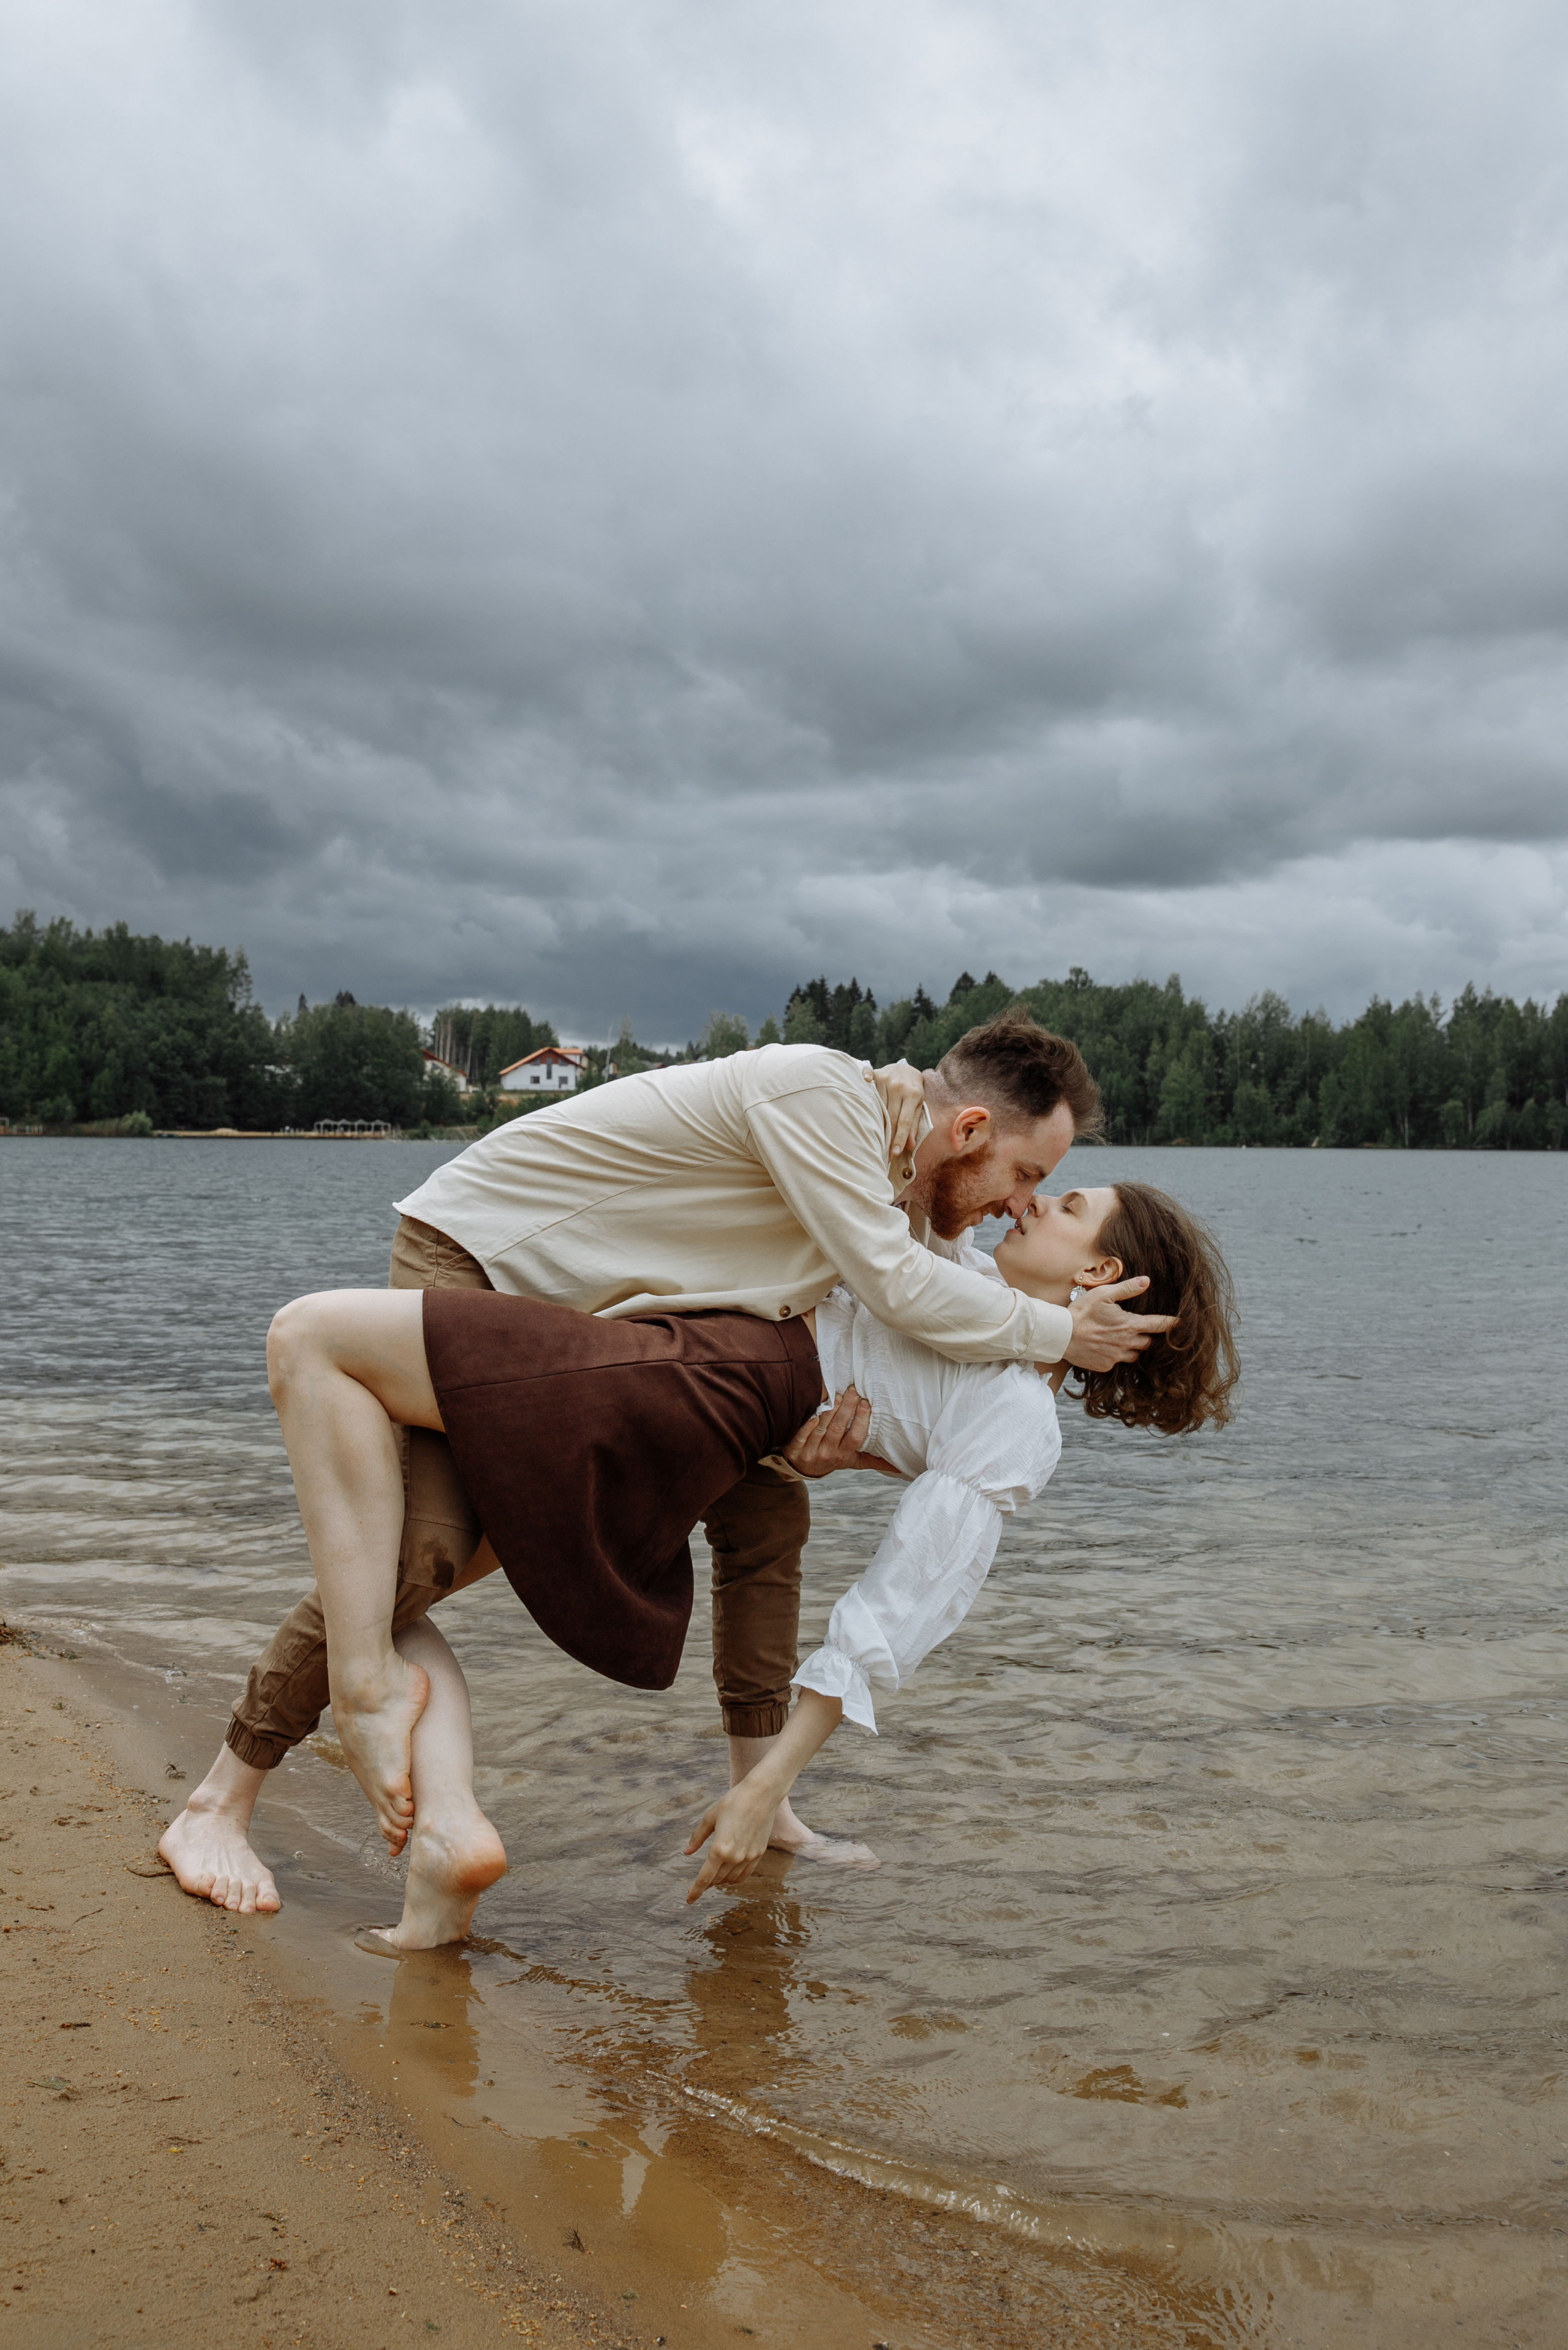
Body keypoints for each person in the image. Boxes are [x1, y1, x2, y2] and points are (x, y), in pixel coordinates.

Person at [160, 1019, 1173, 1911]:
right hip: (489, 1260)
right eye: (1028, 1177)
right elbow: (898, 1288)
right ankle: (225, 1795)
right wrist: (1053, 1331)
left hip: (648, 1337)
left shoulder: (906, 1172)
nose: (1019, 1206)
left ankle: (756, 1793)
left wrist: (825, 1449)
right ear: (969, 1133)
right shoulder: (823, 1099)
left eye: (1047, 1192)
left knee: (770, 1514)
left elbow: (900, 1343)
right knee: (421, 1554)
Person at [355, 1177, 1236, 1946]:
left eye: (1068, 1205)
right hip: (664, 1367)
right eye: (1046, 1181)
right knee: (389, 1591)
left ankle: (742, 1804)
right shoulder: (964, 1278)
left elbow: (894, 1606)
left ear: (1098, 1274)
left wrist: (770, 1780)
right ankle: (252, 1789)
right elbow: (923, 1186)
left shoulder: (1015, 1414)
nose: (1038, 1199)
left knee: (759, 1527)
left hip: (693, 1379)